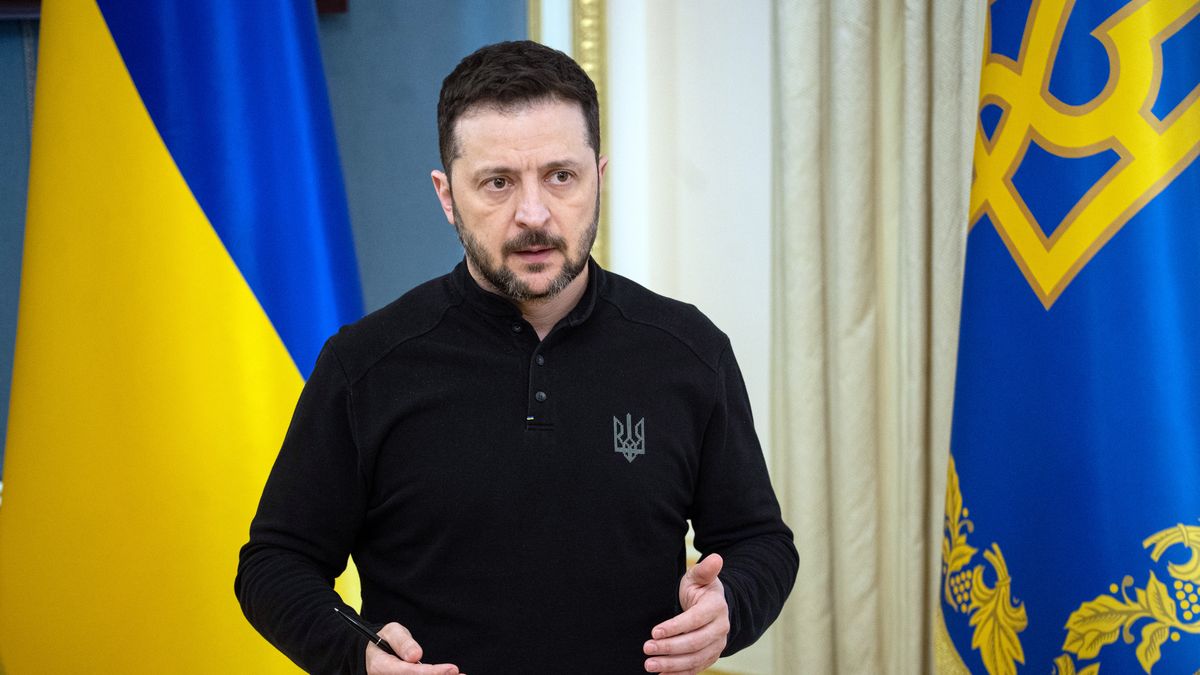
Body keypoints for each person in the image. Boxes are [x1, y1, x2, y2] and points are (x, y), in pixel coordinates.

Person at [236, 40, 797, 675]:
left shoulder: (689, 351)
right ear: (447, 195)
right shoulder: (364, 364)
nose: (533, 215)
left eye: (561, 176)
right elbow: (274, 564)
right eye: (497, 183)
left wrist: (729, 607)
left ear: (598, 178)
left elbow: (760, 542)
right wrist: (358, 654)